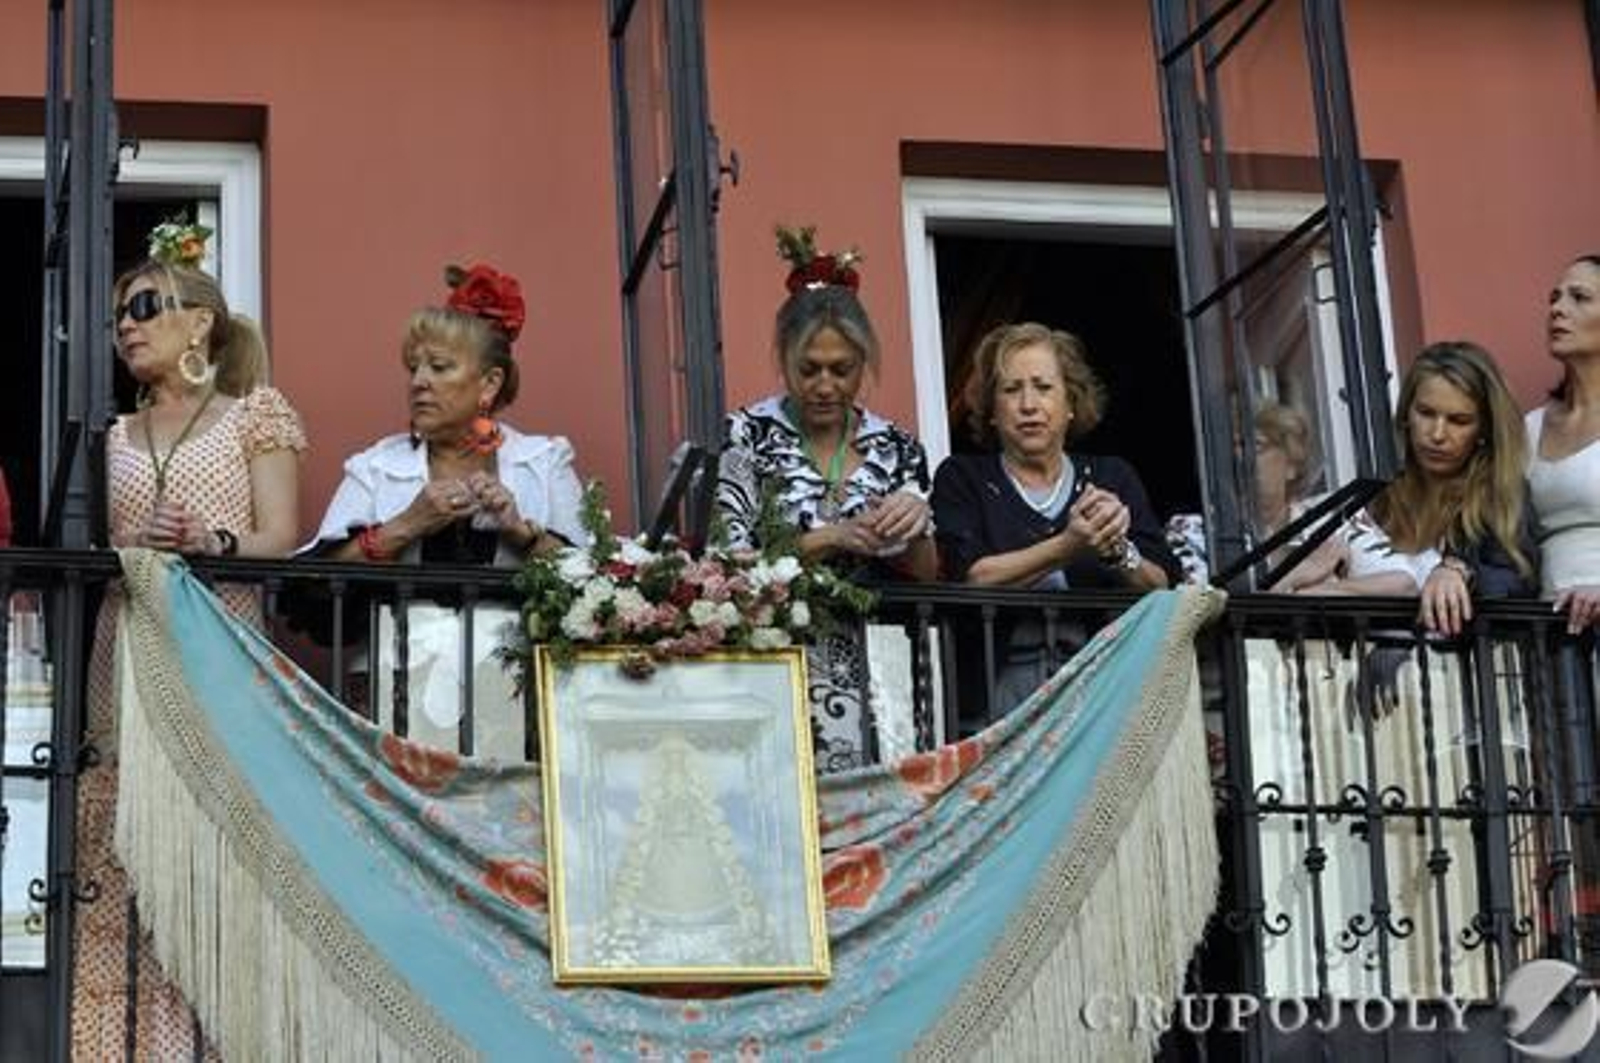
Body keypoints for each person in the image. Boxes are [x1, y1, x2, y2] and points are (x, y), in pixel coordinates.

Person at [77, 224, 307, 1059]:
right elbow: (101, 549)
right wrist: (135, 537)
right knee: (120, 847)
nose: (126, 327)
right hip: (128, 645)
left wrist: (211, 539)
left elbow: (281, 537)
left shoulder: (257, 413)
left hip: (218, 652)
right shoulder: (107, 436)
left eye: (142, 307)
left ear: (200, 324)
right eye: (116, 319)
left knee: (211, 853)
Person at [717, 226, 936, 771]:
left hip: (881, 661)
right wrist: (832, 537)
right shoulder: (744, 435)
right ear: (784, 360)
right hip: (773, 656)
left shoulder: (898, 447)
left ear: (864, 364)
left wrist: (911, 529)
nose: (825, 385)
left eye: (843, 370)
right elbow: (727, 564)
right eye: (808, 369)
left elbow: (931, 573)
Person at [931, 321, 1180, 725]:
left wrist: (1117, 549)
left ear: (1070, 405)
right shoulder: (963, 478)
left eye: (1043, 388)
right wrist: (1069, 545)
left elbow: (1161, 584)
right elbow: (972, 577)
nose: (1028, 404)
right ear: (992, 410)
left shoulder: (1112, 476)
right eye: (1011, 390)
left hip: (1106, 691)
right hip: (998, 702)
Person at [305, 263, 583, 564]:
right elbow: (311, 583)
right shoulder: (376, 468)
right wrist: (405, 526)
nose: (418, 382)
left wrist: (521, 533)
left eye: (438, 367)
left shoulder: (544, 463)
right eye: (414, 368)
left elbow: (598, 583)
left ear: (489, 384)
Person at [1289, 341, 1537, 632]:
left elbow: (1517, 578)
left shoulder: (1498, 495)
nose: (1437, 434)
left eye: (1459, 421)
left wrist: (1459, 571)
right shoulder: (1369, 497)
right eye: (1426, 413)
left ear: (1483, 430)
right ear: (1406, 414)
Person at [1527, 253, 1600, 635]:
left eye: (1579, 297)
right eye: (1554, 298)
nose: (1557, 309)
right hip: (1553, 637)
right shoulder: (1528, 428)